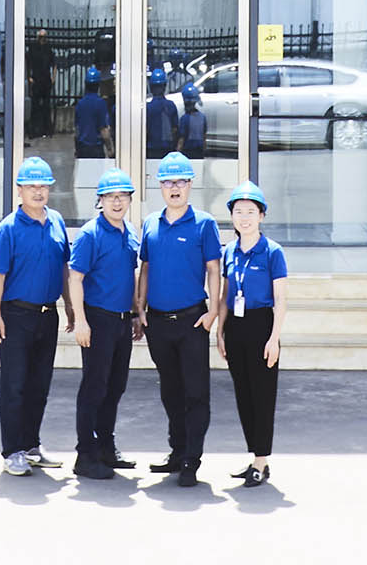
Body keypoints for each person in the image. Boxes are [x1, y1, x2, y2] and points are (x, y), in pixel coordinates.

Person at [136, 150, 221, 488]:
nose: (174, 188)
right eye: (168, 182)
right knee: (170, 391)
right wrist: (140, 307)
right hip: (158, 323)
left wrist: (213, 311)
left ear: (190, 185)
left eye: (181, 182)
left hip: (192, 321)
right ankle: (177, 451)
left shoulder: (204, 224)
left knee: (195, 392)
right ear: (160, 186)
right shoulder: (150, 224)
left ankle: (191, 459)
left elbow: (213, 269)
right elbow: (145, 268)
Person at [0, 155, 74, 477]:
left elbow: (64, 267)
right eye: (31, 186)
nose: (38, 192)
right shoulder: (8, 229)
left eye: (44, 186)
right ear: (19, 191)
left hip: (47, 315)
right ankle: (12, 451)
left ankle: (31, 445)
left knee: (40, 384)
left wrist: (69, 305)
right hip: (16, 315)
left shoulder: (57, 221)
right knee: (15, 385)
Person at [67, 168, 144, 480]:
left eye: (122, 196)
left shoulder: (130, 232)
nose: (117, 202)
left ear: (130, 200)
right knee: (94, 387)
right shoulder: (90, 235)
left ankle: (106, 448)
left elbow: (131, 275)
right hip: (97, 319)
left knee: (115, 386)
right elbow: (75, 278)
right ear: (100, 200)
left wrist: (136, 313)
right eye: (110, 196)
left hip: (122, 321)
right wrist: (80, 320)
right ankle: (85, 454)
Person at [216, 180, 288, 488]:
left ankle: (261, 460)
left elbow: (281, 300)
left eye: (250, 211)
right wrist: (220, 332)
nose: (244, 218)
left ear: (261, 216)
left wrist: (274, 338)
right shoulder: (229, 251)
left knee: (262, 395)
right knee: (243, 395)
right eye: (238, 211)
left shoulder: (272, 252)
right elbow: (224, 296)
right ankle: (255, 458)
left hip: (261, 326)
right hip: (235, 326)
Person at [73, 66, 111, 160]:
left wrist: (76, 149)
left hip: (82, 148)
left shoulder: (80, 104)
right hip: (96, 149)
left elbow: (76, 131)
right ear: (98, 85)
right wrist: (110, 149)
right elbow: (104, 130)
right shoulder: (101, 103)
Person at [24, 29, 54, 140]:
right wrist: (29, 77)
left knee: (46, 106)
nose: (42, 39)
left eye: (44, 37)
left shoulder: (48, 48)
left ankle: (47, 130)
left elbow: (54, 63)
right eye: (41, 37)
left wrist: (53, 77)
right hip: (36, 80)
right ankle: (33, 131)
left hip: (46, 80)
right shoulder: (33, 48)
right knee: (35, 106)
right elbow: (27, 63)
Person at [145, 72, 181, 157]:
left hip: (151, 148)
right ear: (164, 86)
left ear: (151, 87)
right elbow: (175, 130)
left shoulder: (148, 107)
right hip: (168, 148)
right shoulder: (170, 105)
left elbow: (145, 130)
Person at [178, 82, 207, 160]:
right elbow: (204, 137)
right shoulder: (202, 117)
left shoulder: (184, 118)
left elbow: (181, 139)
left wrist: (177, 152)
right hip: (199, 151)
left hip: (188, 152)